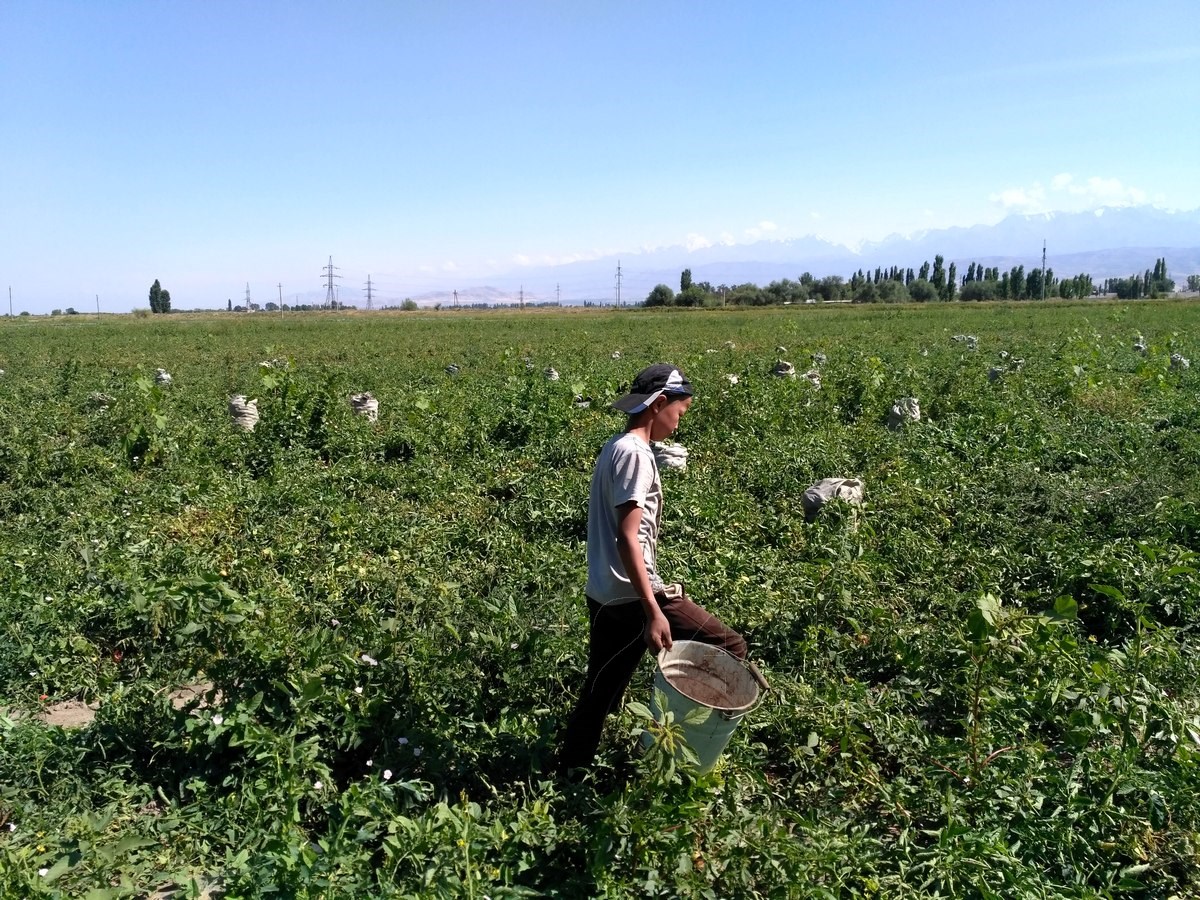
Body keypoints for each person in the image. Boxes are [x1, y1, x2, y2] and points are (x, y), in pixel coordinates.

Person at [558, 363, 747, 773]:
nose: (679, 423)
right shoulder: (636, 455)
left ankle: (571, 770)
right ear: (660, 404)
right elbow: (628, 538)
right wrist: (654, 609)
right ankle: (686, 752)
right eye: (680, 412)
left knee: (601, 691)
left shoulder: (615, 446)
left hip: (606, 593)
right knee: (730, 646)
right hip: (633, 595)